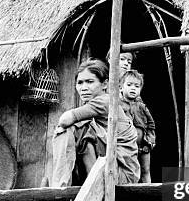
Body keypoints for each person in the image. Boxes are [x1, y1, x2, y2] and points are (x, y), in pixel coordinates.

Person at [50, 58, 140, 186]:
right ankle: (83, 184)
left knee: (69, 128)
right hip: (111, 169)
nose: (83, 88)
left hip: (119, 175)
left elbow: (64, 120)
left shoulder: (105, 101)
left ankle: (60, 186)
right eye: (80, 83)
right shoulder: (96, 105)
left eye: (89, 82)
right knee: (81, 128)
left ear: (105, 84)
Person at [120, 70, 156, 183]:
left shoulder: (142, 107)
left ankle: (148, 192)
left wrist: (150, 139)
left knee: (145, 170)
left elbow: (151, 124)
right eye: (129, 85)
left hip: (144, 145)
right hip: (128, 147)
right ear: (121, 87)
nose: (133, 88)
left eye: (137, 86)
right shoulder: (119, 106)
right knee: (131, 170)